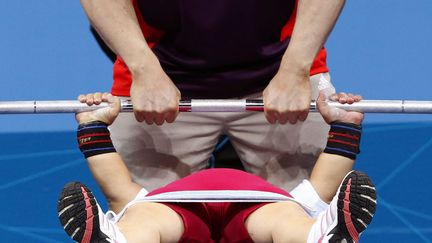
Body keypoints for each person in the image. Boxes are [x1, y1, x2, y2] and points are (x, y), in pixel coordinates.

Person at [79, 0, 346, 191]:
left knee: (311, 217)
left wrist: (296, 68)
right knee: (140, 217)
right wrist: (144, 69)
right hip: (156, 78)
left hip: (284, 76)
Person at [57, 91, 376, 242]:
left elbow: (117, 190)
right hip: (262, 216)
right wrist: (346, 126)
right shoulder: (282, 207)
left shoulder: (155, 207)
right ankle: (316, 238)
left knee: (139, 216)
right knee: (293, 218)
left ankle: (120, 240)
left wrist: (93, 126)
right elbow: (325, 184)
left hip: (173, 216)